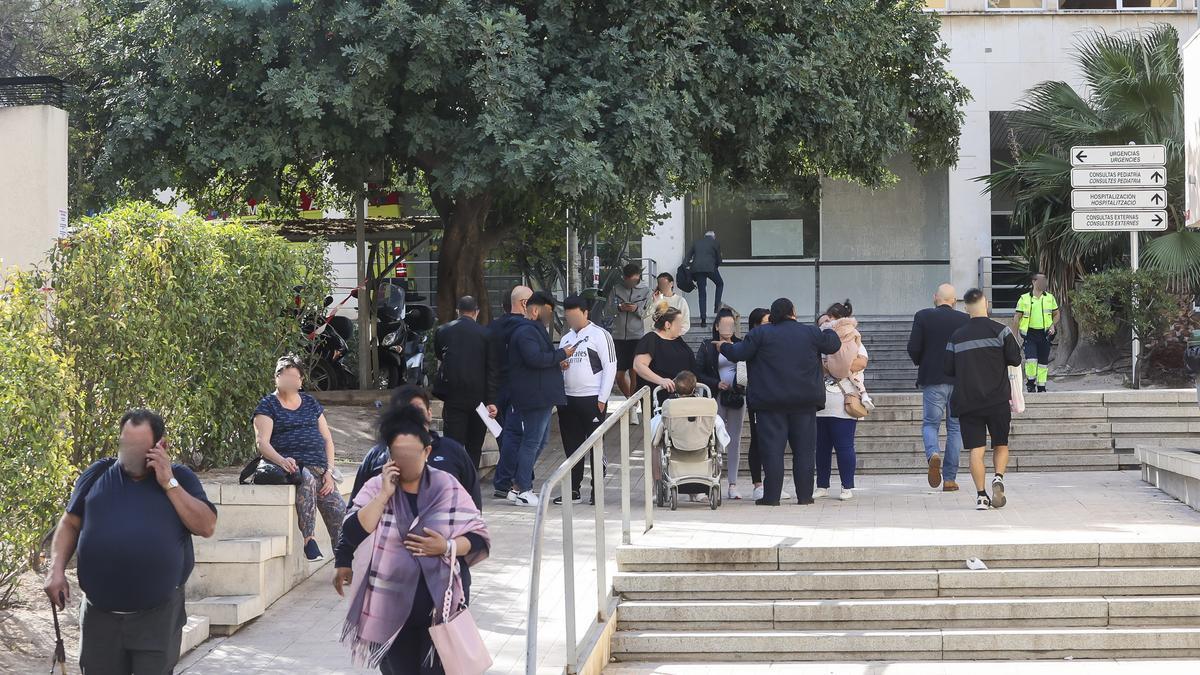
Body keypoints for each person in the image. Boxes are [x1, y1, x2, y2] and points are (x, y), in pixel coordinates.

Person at [44, 409, 217, 675]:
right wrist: (55, 570)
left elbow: (206, 526)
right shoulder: (97, 475)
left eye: (139, 447)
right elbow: (69, 524)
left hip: (157, 617)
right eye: (126, 445)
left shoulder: (180, 479)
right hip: (99, 619)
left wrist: (168, 483)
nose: (130, 454)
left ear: (161, 445)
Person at [334, 404, 490, 674]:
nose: (404, 461)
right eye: (398, 454)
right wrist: (383, 495)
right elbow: (352, 531)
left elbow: (478, 538)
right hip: (388, 614)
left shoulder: (447, 486)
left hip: (438, 612)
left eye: (411, 454)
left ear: (427, 451)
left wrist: (447, 546)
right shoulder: (375, 487)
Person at [718, 298, 840, 506]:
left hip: (770, 403)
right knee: (804, 451)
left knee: (772, 451)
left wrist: (723, 347)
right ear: (793, 312)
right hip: (804, 402)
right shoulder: (810, 332)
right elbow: (833, 344)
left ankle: (772, 497)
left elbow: (739, 353)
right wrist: (828, 328)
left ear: (773, 315)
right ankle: (804, 496)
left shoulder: (760, 334)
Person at [252, 355, 347, 561]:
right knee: (307, 479)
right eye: (285, 375)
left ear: (301, 381)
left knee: (339, 509)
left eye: (295, 377)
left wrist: (329, 473)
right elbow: (262, 443)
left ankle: (345, 560)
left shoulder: (311, 403)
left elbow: (327, 440)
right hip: (289, 467)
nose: (290, 380)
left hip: (321, 470)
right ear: (277, 378)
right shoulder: (268, 405)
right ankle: (309, 541)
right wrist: (282, 460)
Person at [945, 288, 1023, 511]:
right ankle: (998, 477)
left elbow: (948, 369)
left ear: (966, 307)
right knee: (1001, 443)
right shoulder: (1001, 331)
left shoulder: (956, 336)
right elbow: (1015, 360)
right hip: (997, 400)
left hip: (968, 402)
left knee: (976, 451)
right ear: (986, 304)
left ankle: (981, 496)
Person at [497, 291, 578, 506]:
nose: (549, 316)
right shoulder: (526, 331)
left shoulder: (533, 330)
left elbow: (537, 359)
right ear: (534, 310)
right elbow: (534, 359)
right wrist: (562, 355)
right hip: (534, 395)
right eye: (548, 311)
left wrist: (556, 361)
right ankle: (524, 489)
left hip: (539, 393)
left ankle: (517, 487)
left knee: (538, 440)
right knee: (532, 441)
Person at [349, 385, 482, 510]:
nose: (412, 417)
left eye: (417, 410)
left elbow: (474, 516)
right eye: (405, 411)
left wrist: (451, 535)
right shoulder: (377, 457)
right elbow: (352, 516)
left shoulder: (453, 452)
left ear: (429, 413)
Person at [907, 283, 970, 491]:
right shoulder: (964, 319)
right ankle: (950, 479)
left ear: (935, 298)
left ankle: (933, 453)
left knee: (930, 424)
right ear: (954, 301)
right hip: (959, 380)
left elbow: (913, 347)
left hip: (933, 378)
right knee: (955, 428)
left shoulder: (923, 316)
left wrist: (921, 362)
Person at [557, 295, 618, 505]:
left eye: (575, 315)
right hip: (567, 400)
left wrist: (602, 398)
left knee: (595, 445)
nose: (571, 320)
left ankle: (597, 491)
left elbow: (610, 366)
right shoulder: (565, 338)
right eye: (568, 316)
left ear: (585, 313)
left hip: (592, 399)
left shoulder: (600, 335)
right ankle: (573, 490)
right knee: (571, 446)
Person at [433, 295, 498, 469]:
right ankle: (470, 482)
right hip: (479, 399)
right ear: (476, 312)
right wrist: (492, 400)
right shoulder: (486, 334)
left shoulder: (443, 331)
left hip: (453, 396)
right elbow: (492, 369)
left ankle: (452, 479)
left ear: (457, 312)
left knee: (452, 445)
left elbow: (440, 355)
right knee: (474, 446)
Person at [815, 300, 867, 501]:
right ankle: (822, 485)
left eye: (829, 320)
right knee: (821, 448)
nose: (826, 325)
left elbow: (861, 362)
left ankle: (847, 486)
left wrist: (834, 365)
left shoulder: (854, 339)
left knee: (844, 446)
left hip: (844, 401)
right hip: (821, 401)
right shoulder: (819, 342)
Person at [696, 309, 747, 500]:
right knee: (712, 439)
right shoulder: (708, 346)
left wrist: (737, 384)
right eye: (724, 325)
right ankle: (710, 480)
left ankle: (732, 484)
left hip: (736, 397)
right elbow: (698, 371)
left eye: (731, 325)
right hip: (715, 396)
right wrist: (715, 383)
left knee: (734, 439)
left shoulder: (741, 345)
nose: (728, 328)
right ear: (716, 326)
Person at [489, 285, 532, 498]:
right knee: (516, 436)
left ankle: (516, 476)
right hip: (518, 387)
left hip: (495, 388)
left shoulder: (493, 327)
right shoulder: (526, 328)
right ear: (524, 303)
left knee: (504, 435)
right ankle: (507, 479)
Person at [742, 308, 779, 501]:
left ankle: (773, 483)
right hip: (758, 396)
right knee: (757, 439)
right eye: (765, 323)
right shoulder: (752, 341)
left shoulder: (775, 341)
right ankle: (758, 484)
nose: (770, 326)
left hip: (775, 395)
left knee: (775, 440)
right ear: (755, 325)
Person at [609, 263, 652, 421]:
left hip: (637, 336)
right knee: (619, 374)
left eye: (634, 281)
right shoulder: (616, 289)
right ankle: (630, 401)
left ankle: (633, 408)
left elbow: (649, 313)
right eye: (628, 281)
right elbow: (608, 309)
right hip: (618, 336)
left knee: (634, 372)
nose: (631, 284)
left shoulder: (646, 291)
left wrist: (636, 310)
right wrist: (619, 308)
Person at [634, 304, 696, 408]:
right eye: (679, 323)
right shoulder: (651, 339)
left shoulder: (678, 340)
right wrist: (661, 381)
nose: (681, 326)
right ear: (668, 325)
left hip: (683, 397)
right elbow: (639, 365)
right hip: (659, 398)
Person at [1013, 273, 1060, 393]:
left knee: (1043, 362)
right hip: (1030, 334)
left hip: (1045, 334)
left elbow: (1057, 314)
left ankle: (1042, 386)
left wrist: (1052, 325)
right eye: (1041, 280)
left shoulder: (1049, 297)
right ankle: (1030, 382)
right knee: (1031, 360)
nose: (1044, 283)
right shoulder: (1024, 298)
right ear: (1034, 282)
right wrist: (1014, 336)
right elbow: (1017, 317)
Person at [687, 231, 724, 328]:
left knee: (702, 294)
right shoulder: (715, 243)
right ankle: (717, 306)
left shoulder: (697, 242)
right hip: (710, 268)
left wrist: (686, 269)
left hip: (697, 270)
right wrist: (715, 266)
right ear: (713, 236)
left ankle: (703, 319)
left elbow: (688, 257)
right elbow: (719, 259)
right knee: (720, 284)